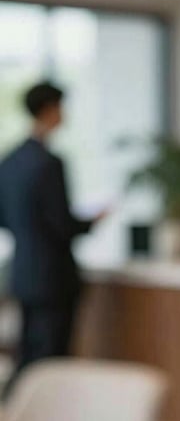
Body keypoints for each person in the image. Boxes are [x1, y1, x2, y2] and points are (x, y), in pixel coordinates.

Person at [0, 82, 104, 395]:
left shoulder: (10, 161)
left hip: (22, 272)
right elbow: (63, 224)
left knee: (29, 354)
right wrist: (91, 221)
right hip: (54, 275)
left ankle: (19, 413)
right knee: (52, 359)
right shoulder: (49, 163)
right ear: (49, 109)